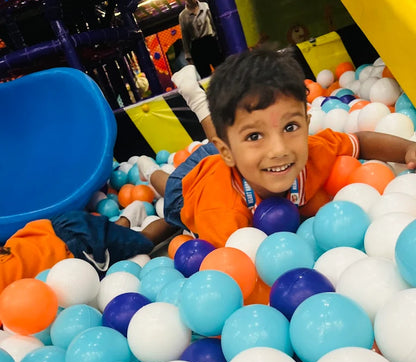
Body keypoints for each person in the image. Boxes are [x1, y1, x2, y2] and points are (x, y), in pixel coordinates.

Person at [136, 48, 416, 248]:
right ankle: (150, 172)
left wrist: (407, 150)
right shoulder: (221, 215)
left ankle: (209, 110)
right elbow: (235, 270)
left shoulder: (312, 152)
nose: (279, 148)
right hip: (193, 187)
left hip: (239, 159)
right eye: (256, 135)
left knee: (222, 140)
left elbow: (362, 141)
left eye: (290, 127)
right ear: (229, 152)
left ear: (307, 124)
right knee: (170, 192)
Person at [0, 201, 178, 293]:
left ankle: (183, 210)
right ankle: (125, 219)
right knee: (109, 238)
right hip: (53, 227)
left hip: (77, 249)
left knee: (145, 241)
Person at [178, 0, 224, 78]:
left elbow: (213, 25)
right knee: (205, 77)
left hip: (211, 42)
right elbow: (185, 36)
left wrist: (218, 40)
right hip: (197, 47)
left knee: (222, 72)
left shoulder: (205, 6)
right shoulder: (183, 16)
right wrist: (188, 55)